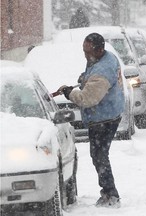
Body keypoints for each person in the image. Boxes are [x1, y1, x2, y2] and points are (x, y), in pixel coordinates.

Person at [57, 33, 124, 208]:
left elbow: (87, 99)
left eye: (89, 51)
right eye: (84, 50)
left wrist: (68, 93)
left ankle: (111, 195)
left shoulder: (102, 71)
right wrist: (84, 79)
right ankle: (109, 192)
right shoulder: (105, 58)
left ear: (100, 49)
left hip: (104, 118)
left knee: (100, 156)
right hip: (110, 112)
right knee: (99, 156)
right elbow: (93, 79)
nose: (86, 55)